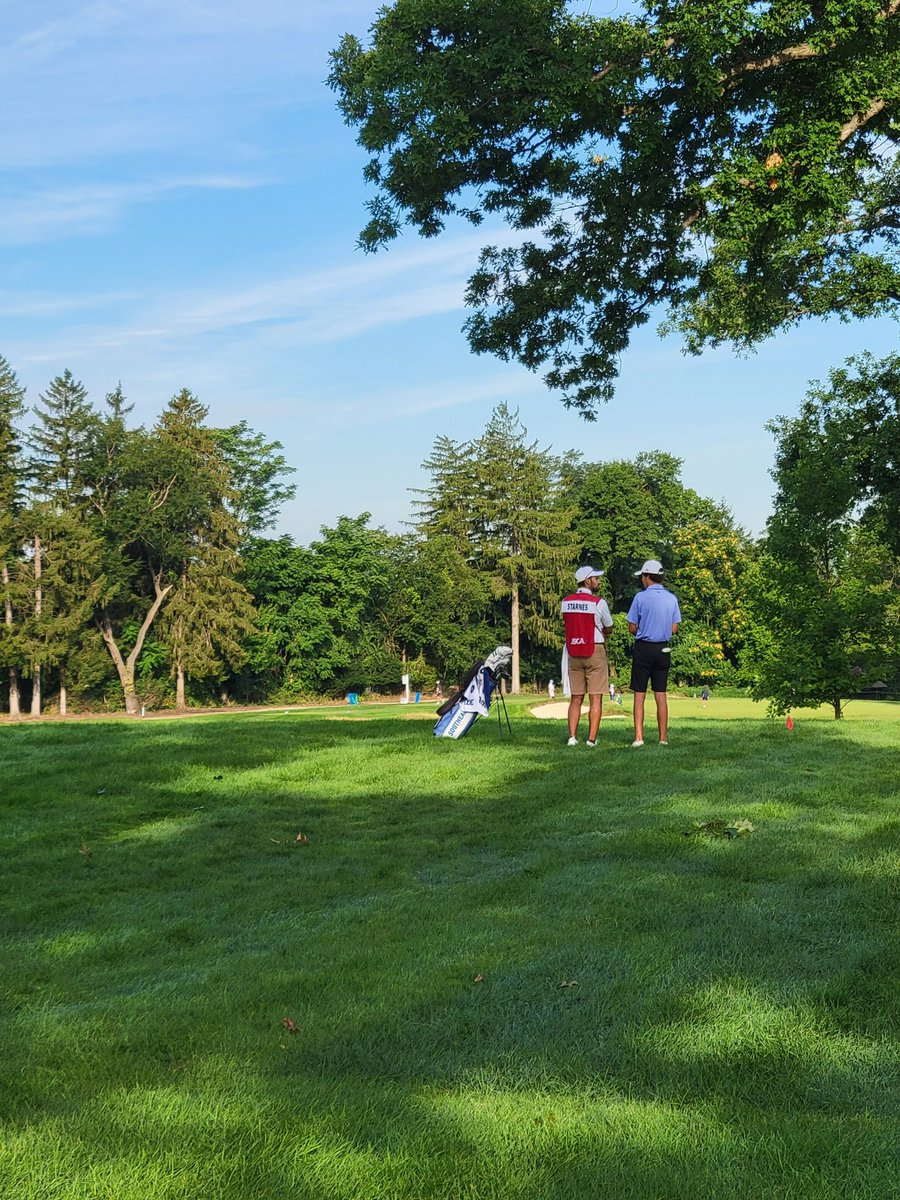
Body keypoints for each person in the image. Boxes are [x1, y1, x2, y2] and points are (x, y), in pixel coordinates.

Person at [627, 559, 681, 747]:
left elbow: (632, 627)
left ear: (648, 576)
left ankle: (639, 738)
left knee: (639, 694)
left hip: (644, 647)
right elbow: (674, 629)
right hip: (663, 648)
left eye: (643, 576)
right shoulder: (672, 598)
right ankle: (663, 738)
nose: (642, 579)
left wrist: (644, 627)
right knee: (661, 694)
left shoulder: (640, 598)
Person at [561, 566, 614, 747]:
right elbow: (609, 627)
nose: (599, 581)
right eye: (596, 578)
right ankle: (591, 740)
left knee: (576, 697)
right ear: (587, 581)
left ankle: (572, 738)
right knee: (595, 697)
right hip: (594, 650)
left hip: (573, 651)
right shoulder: (598, 602)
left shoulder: (566, 602)